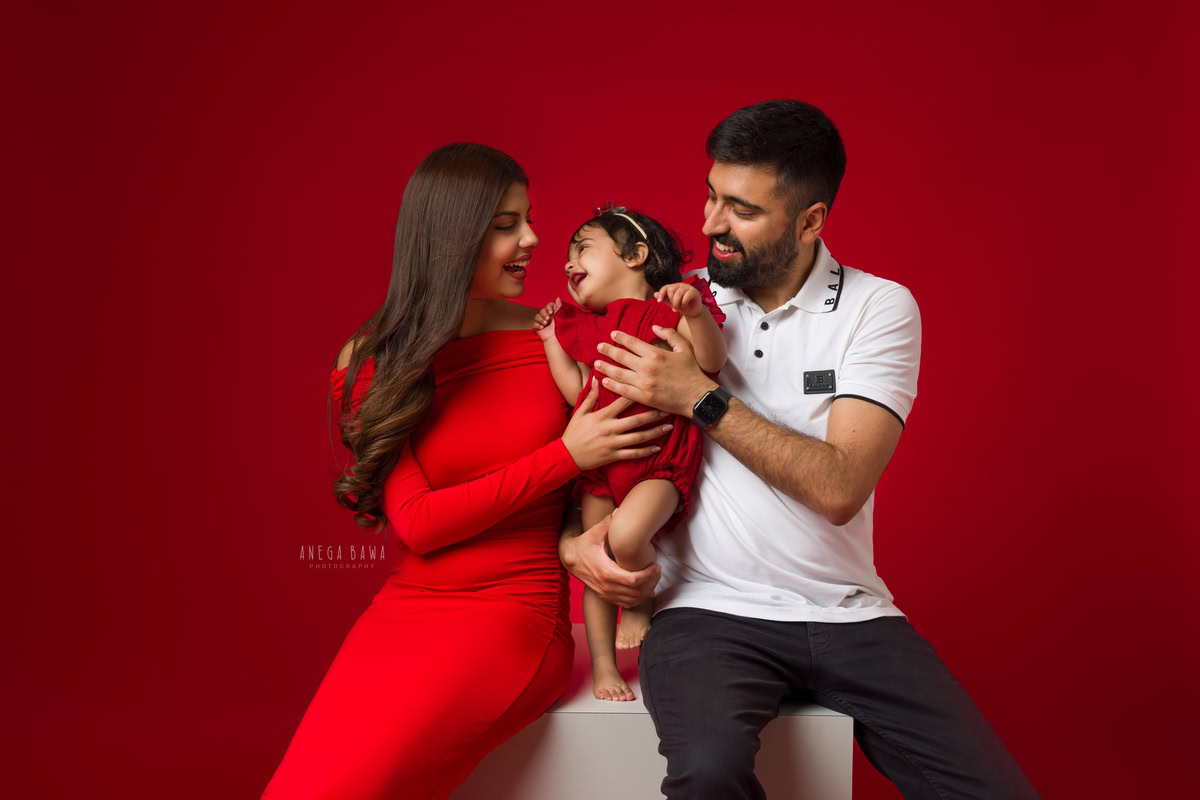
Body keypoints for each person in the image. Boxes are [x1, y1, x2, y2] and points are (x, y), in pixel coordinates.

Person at [586, 101, 1041, 799]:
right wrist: (576, 545)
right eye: (711, 196)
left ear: (810, 220)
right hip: (705, 611)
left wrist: (698, 397)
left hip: (852, 614)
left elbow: (839, 487)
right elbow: (590, 436)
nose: (709, 225)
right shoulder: (673, 302)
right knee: (709, 774)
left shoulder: (877, 308)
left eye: (742, 210)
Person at [260, 142, 670, 800]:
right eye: (507, 225)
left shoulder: (558, 339)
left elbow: (607, 487)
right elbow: (419, 525)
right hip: (401, 613)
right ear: (452, 239)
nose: (533, 239)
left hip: (510, 618)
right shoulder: (371, 361)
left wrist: (580, 534)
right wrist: (566, 454)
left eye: (528, 220)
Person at [531, 202, 727, 701]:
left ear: (636, 255)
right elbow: (578, 390)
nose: (570, 262)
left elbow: (711, 360)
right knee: (596, 564)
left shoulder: (668, 311)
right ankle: (603, 666)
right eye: (569, 255)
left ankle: (640, 600)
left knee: (626, 534)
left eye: (583, 248)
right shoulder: (588, 325)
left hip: (658, 460)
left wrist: (695, 313)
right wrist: (552, 340)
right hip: (601, 466)